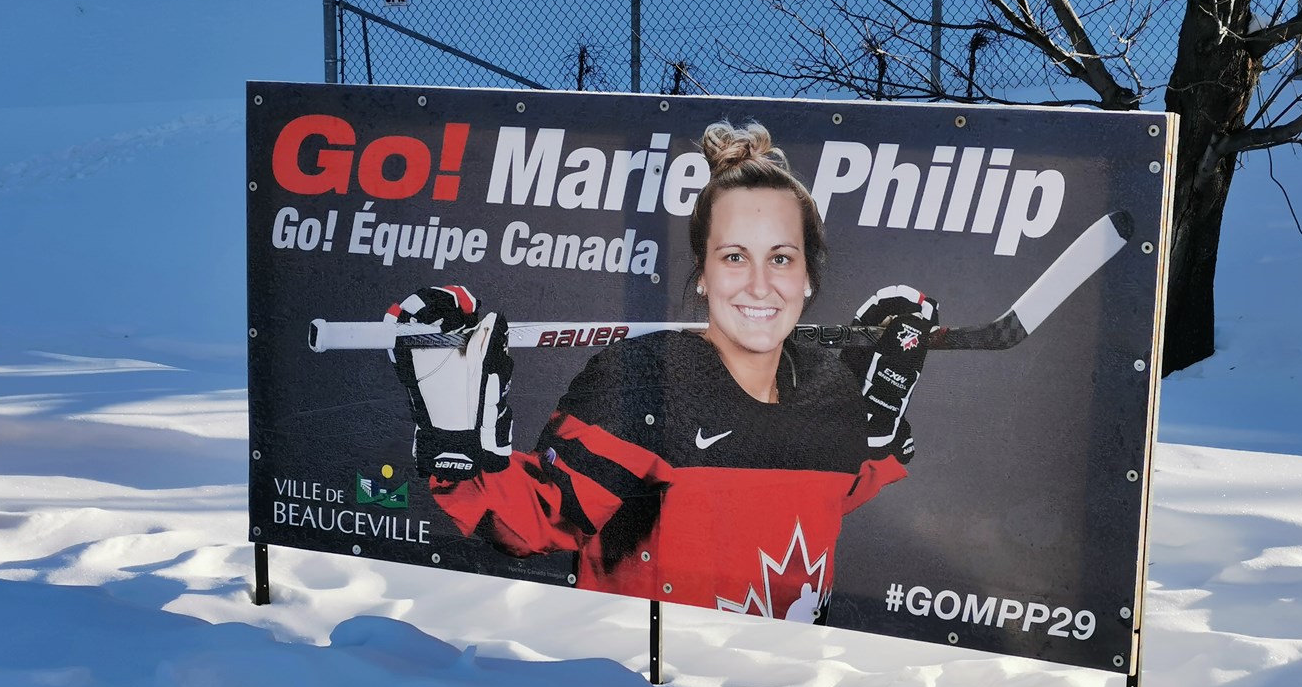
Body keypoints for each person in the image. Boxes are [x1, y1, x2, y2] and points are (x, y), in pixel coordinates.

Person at [383, 122, 939, 622]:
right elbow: (535, 523)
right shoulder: (647, 376)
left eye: (782, 258)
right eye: (735, 257)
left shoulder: (823, 382)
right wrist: (455, 446)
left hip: (790, 680)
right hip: (652, 680)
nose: (760, 285)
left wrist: (876, 415)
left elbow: (826, 490)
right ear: (703, 274)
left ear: (807, 278)